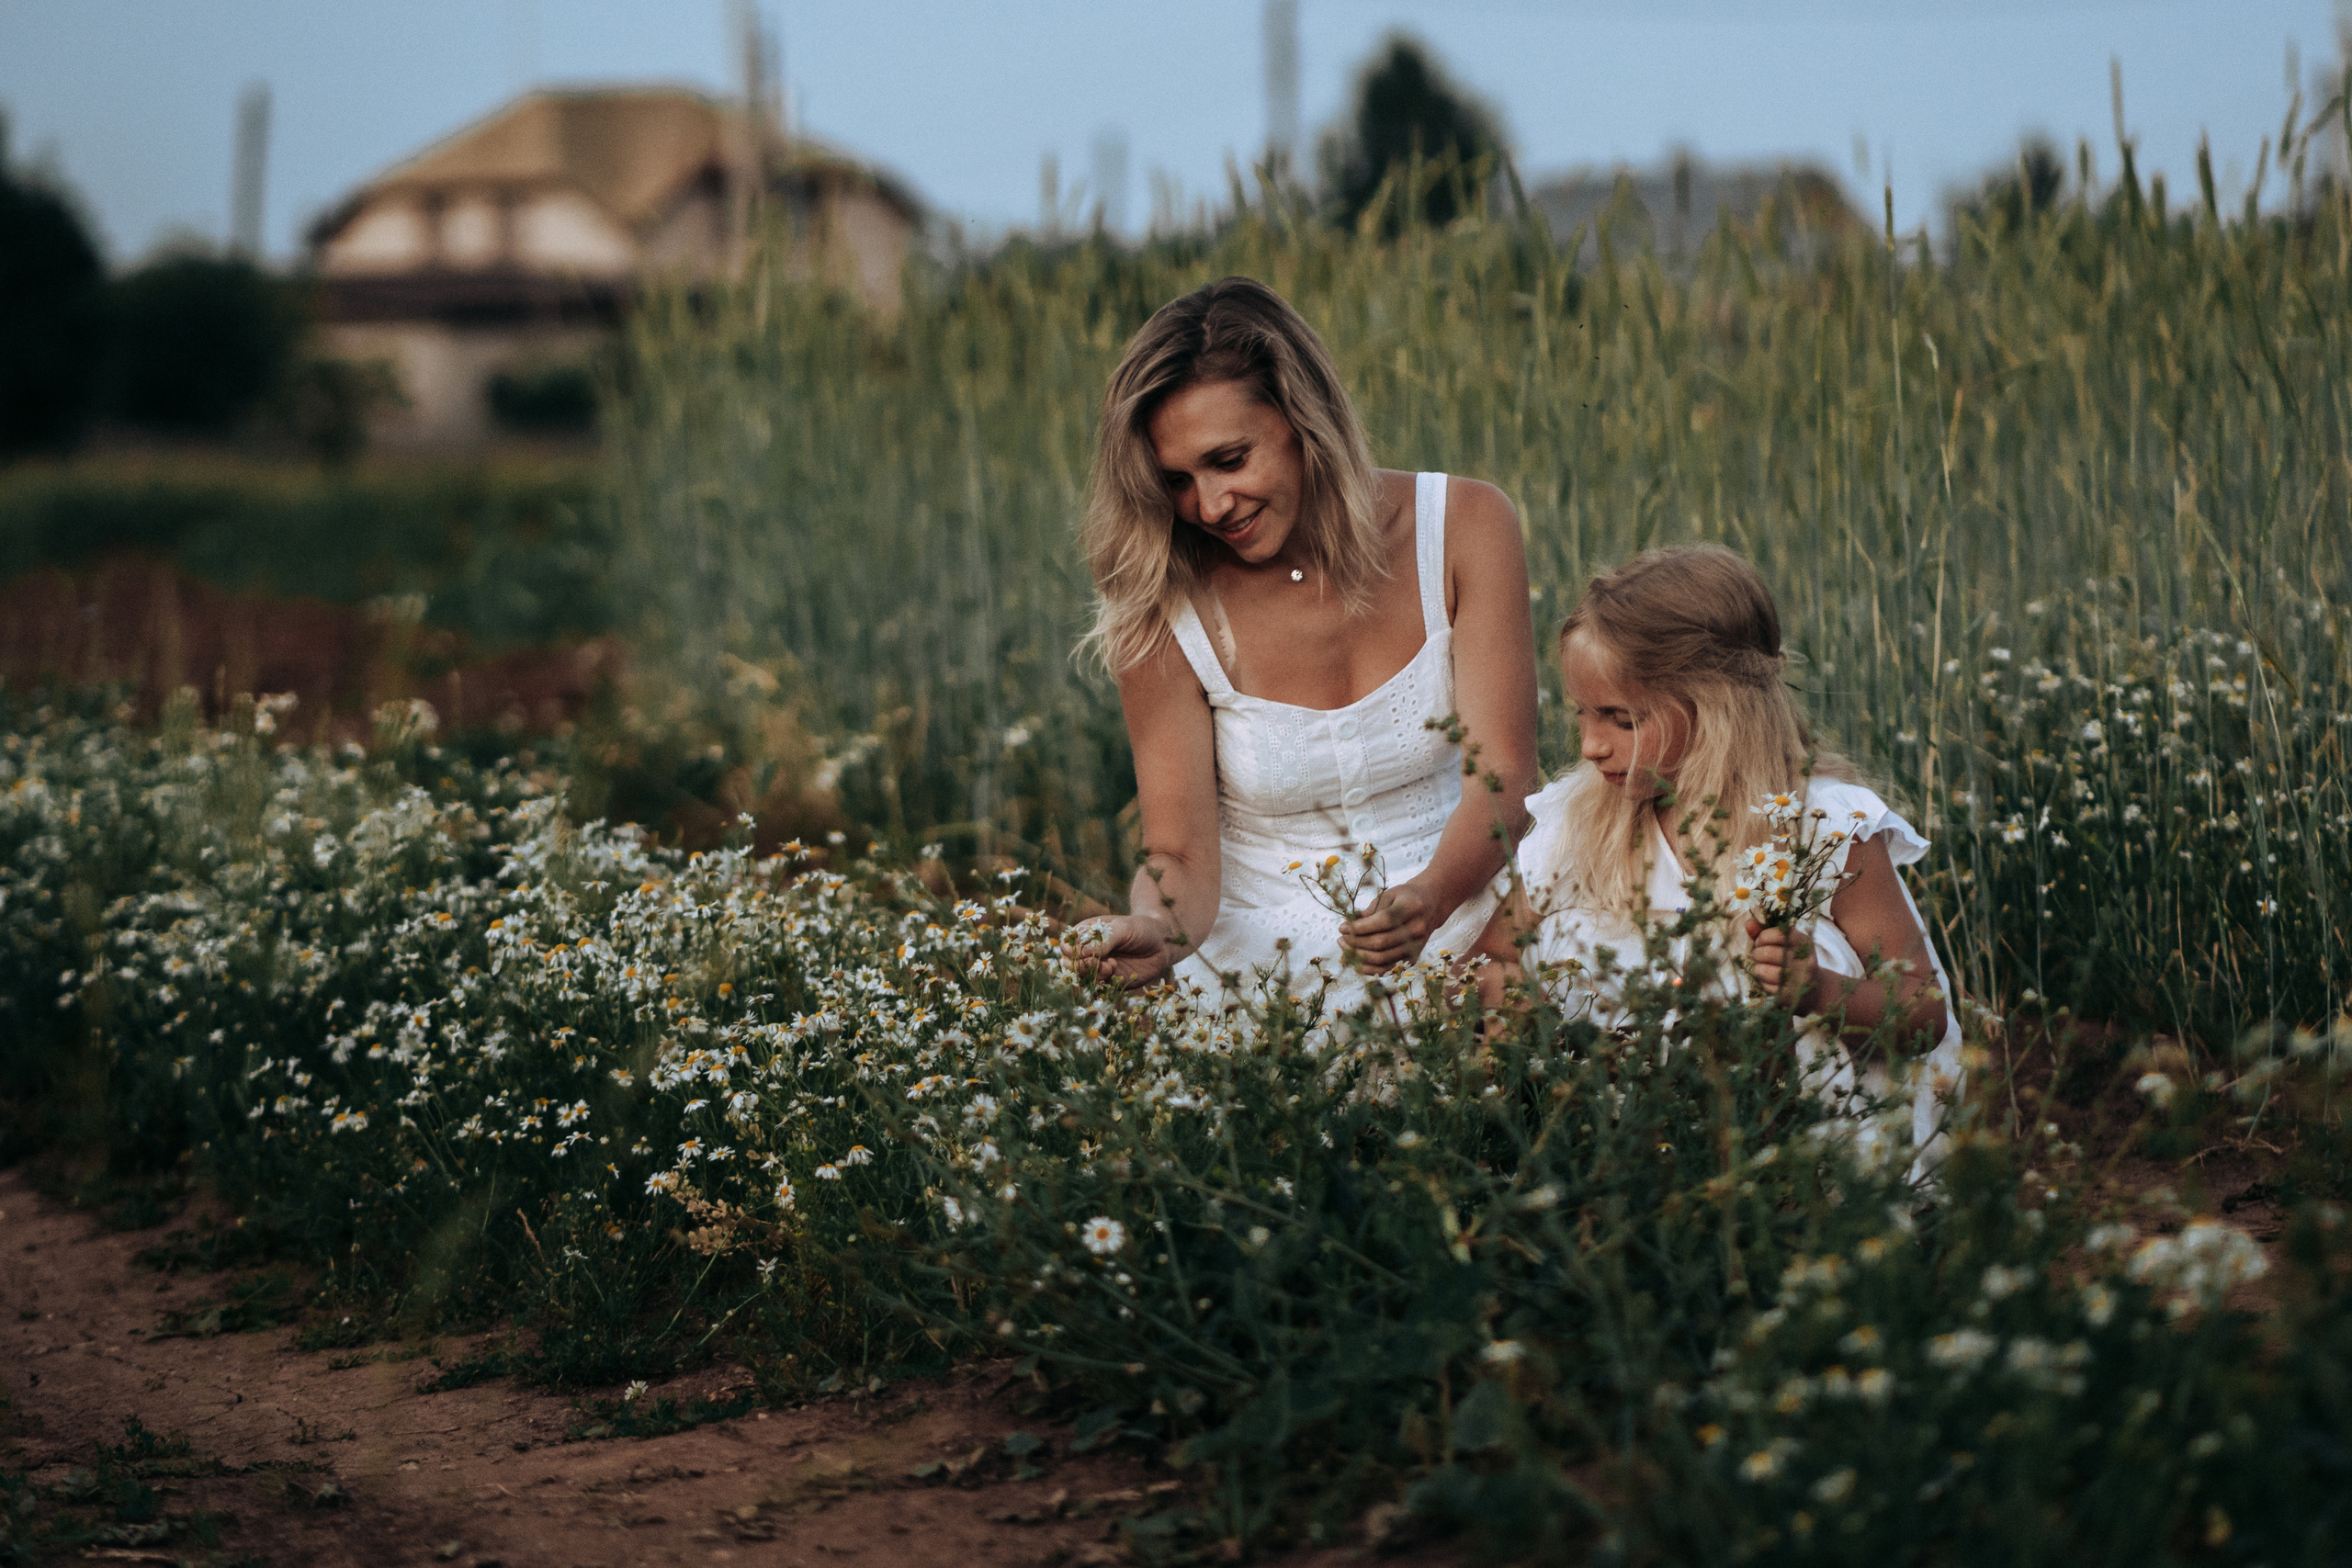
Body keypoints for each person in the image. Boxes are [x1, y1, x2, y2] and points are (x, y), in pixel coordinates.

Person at [1068, 276, 1538, 1003]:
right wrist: (1158, 930)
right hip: (1264, 950)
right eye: (1177, 481)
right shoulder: (1159, 607)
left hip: (1464, 894)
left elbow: (1504, 779)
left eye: (1229, 460)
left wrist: (1432, 899)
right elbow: (1180, 855)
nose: (1211, 506)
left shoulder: (1465, 526)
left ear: (1303, 416)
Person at [1472, 545, 1964, 1163]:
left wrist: (1816, 990)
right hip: (1625, 1131)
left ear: (1716, 709)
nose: (1591, 745)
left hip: (1805, 1132)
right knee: (1569, 937)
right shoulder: (1583, 820)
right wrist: (1518, 1010)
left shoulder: (1822, 828)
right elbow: (1495, 951)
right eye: (1582, 714)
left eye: (1621, 719)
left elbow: (1923, 1011)